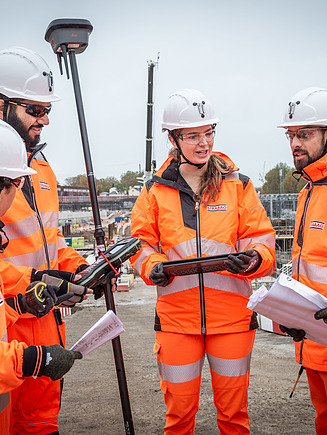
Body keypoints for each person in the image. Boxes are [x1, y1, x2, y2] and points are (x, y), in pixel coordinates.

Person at [130, 88, 275, 434]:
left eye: (209, 133)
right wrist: (153, 267)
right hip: (177, 324)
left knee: (234, 417)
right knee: (179, 418)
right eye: (193, 135)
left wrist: (256, 259)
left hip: (233, 322)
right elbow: (139, 243)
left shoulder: (237, 185)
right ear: (174, 138)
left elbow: (262, 238)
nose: (203, 143)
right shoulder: (155, 191)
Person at [0, 47, 90, 434]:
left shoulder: (40, 168)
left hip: (45, 319)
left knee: (40, 424)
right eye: (34, 110)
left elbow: (49, 239)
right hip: (9, 321)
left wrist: (79, 268)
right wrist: (35, 284)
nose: (45, 119)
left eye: (47, 109)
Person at [278, 87, 327, 434]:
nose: (296, 143)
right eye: (292, 135)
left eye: (305, 134)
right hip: (314, 341)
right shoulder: (307, 192)